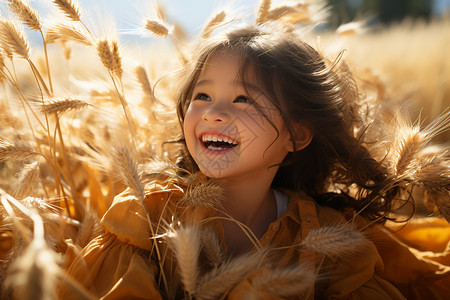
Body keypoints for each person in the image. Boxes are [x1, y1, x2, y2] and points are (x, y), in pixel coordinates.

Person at [59, 22, 450, 299]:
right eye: (202, 97)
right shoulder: (147, 216)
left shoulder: (329, 240)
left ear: (297, 134)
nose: (213, 114)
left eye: (244, 99)